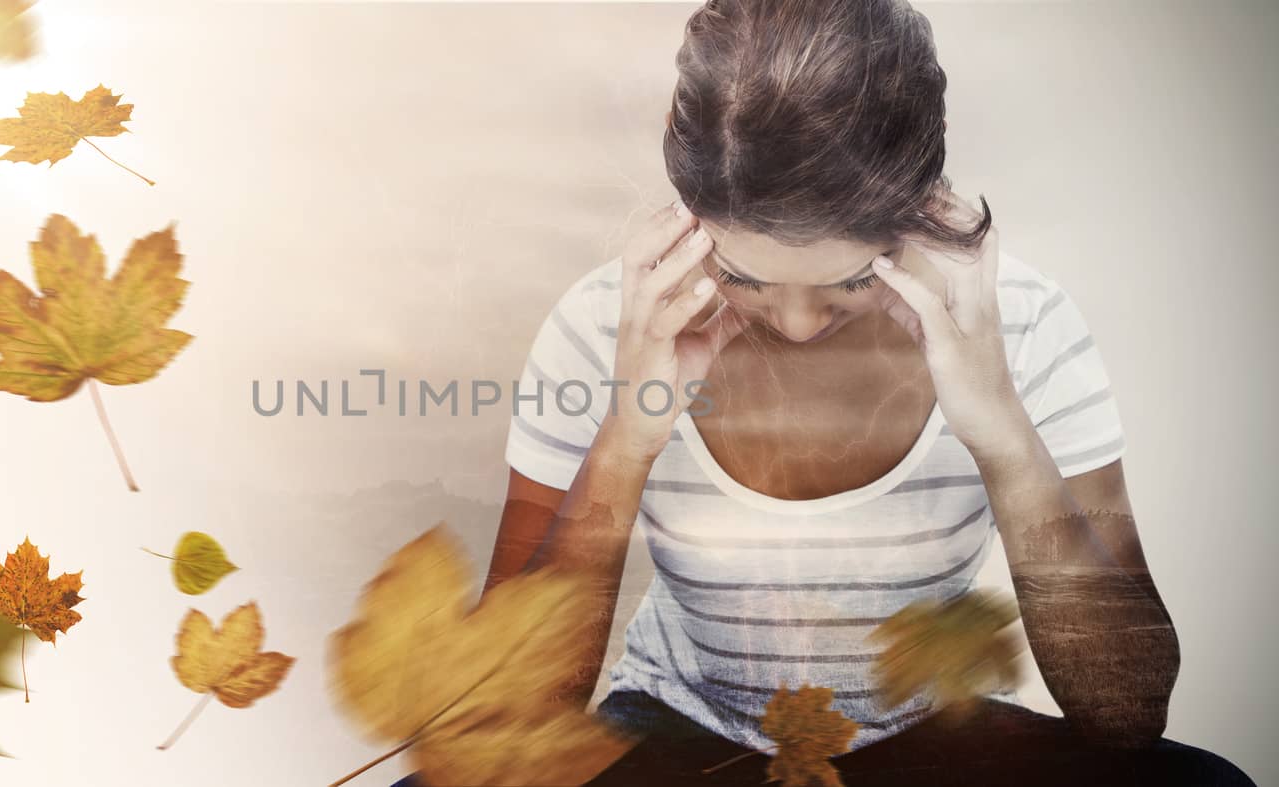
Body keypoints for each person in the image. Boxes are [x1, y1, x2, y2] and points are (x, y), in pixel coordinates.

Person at [393, 0, 1254, 784]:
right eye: (743, 275)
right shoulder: (611, 326)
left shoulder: (1017, 325)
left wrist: (1001, 429)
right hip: (681, 737)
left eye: (851, 282)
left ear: (920, 200)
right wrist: (628, 432)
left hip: (931, 733)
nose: (797, 324)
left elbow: (1130, 713)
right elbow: (507, 718)